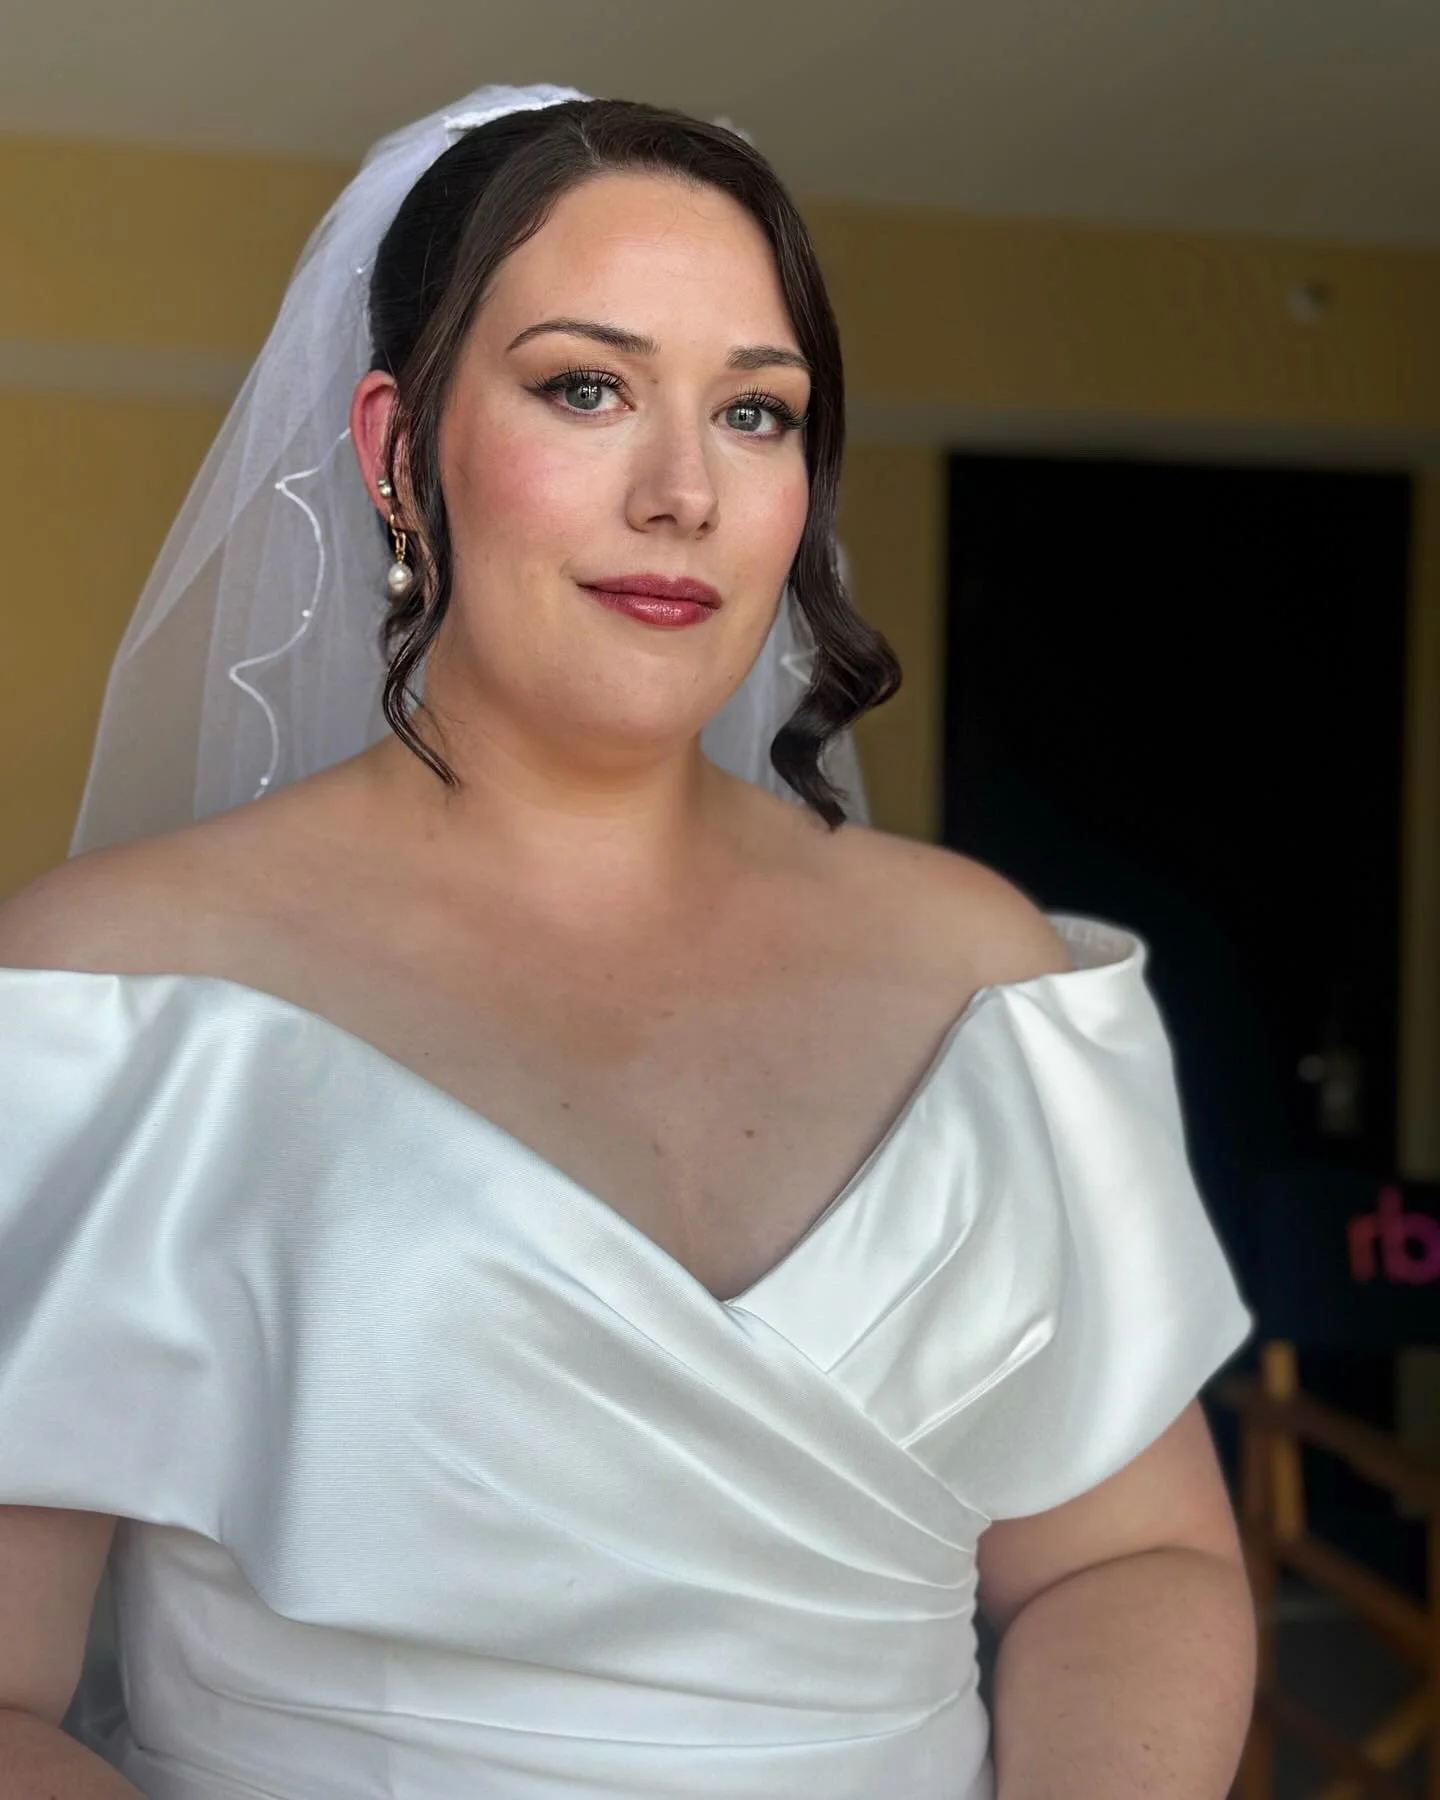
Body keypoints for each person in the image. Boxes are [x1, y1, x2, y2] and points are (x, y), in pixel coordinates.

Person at [0, 85, 1255, 1800]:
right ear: (392, 451)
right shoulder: (103, 997)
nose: (683, 492)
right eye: (586, 388)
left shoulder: (986, 976)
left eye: (755, 411)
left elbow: (1133, 1561)